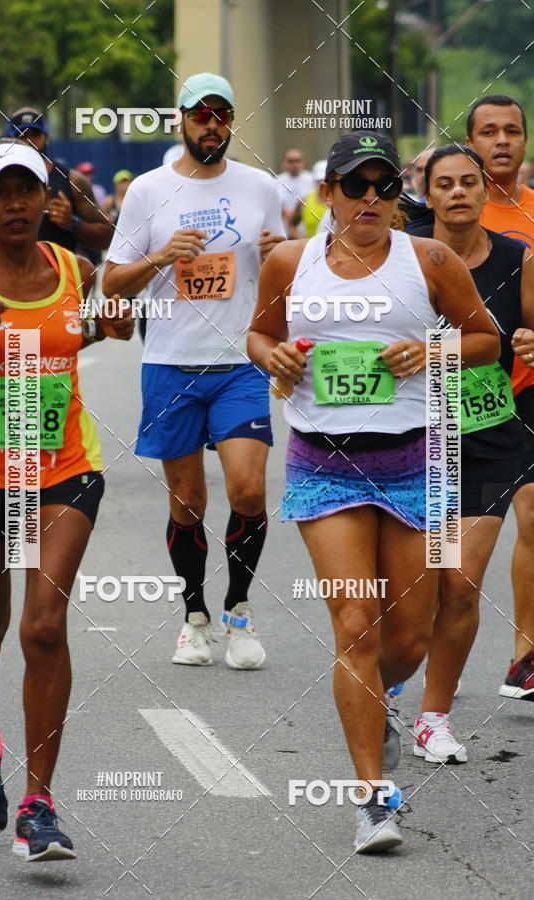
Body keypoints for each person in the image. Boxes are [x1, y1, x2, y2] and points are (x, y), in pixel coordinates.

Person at [247, 131, 499, 853]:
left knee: (409, 637)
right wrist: (277, 358)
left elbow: (484, 338)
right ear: (327, 193)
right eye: (354, 185)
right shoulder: (289, 262)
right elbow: (258, 337)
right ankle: (372, 798)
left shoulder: (431, 261)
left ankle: (377, 700)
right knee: (356, 624)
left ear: (398, 197)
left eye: (383, 186)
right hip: (325, 463)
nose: (368, 198)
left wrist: (431, 349)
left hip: (417, 460)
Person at [0, 138, 133, 861]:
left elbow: (78, 334)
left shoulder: (74, 269)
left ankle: (39, 804)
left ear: (47, 199)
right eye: (1, 192)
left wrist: (111, 324)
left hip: (63, 470)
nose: (17, 204)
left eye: (29, 190)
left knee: (43, 626)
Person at [103, 71, 285, 668]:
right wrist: (161, 255)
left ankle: (239, 611)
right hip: (170, 364)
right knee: (187, 504)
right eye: (200, 115)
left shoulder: (259, 185)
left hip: (239, 362)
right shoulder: (148, 191)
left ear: (231, 121)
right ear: (181, 120)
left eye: (221, 115)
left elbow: (286, 269)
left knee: (249, 491)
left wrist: (275, 256)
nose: (212, 125)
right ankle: (195, 617)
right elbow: (113, 284)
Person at [406, 145, 534, 762]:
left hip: (487, 439)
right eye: (445, 184)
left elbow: (530, 329)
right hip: (413, 441)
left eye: (468, 182)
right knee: (415, 590)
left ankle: (433, 718)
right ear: (427, 195)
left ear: (486, 191)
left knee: (459, 586)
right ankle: (391, 676)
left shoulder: (516, 257)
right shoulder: (401, 255)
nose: (457, 192)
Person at [466, 94, 534, 699]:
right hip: (462, 393)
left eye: (512, 130)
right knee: (454, 541)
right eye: (489, 131)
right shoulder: (451, 207)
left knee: (533, 514)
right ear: (471, 143)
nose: (502, 141)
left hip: (527, 391)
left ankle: (524, 658)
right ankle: (426, 641)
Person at [7, 108, 112, 254]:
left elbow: (106, 237)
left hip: (57, 268)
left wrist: (72, 222)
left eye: (35, 135)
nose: (29, 141)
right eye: (21, 135)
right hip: (4, 267)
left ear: (46, 138)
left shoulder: (72, 180)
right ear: (9, 140)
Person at [276, 148, 314, 238]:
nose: (295, 164)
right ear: (284, 163)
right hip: (284, 232)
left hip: (305, 232)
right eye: (291, 161)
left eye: (298, 161)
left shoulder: (311, 180)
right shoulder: (276, 182)